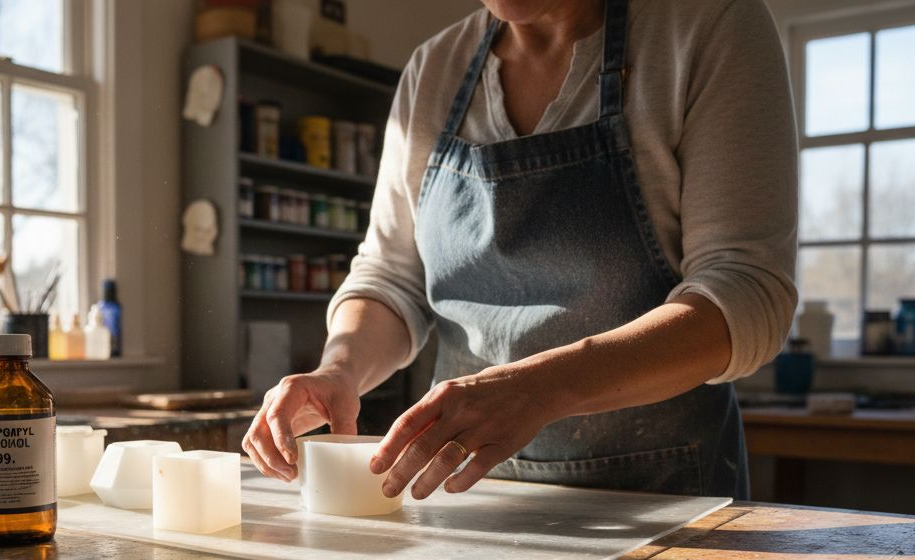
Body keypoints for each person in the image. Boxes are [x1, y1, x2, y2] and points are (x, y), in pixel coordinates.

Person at [242, 0, 797, 501]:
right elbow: (391, 277)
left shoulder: (708, 25)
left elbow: (744, 293)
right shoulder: (433, 69)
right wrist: (340, 369)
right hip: (466, 493)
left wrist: (539, 389)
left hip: (662, 494)